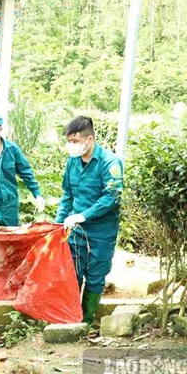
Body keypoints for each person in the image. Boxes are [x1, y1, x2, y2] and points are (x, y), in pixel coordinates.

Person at [54, 116, 123, 326]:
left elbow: (112, 197)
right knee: (73, 274)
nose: (71, 146)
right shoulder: (72, 162)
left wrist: (83, 215)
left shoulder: (110, 163)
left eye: (75, 141)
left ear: (89, 140)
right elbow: (67, 194)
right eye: (69, 141)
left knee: (95, 277)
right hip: (76, 231)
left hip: (102, 233)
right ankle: (71, 318)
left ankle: (87, 321)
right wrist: (58, 223)